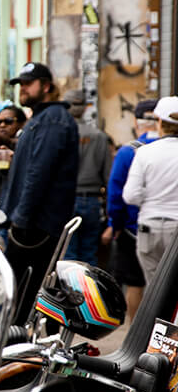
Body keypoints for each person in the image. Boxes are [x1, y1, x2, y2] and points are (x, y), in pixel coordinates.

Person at [0, 61, 79, 324]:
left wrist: (20, 220)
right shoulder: (43, 118)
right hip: (31, 222)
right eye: (20, 84)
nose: (22, 89)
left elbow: (38, 173)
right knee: (17, 299)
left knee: (18, 301)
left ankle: (13, 356)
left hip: (36, 227)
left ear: (46, 86)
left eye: (28, 83)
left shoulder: (53, 120)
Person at [103, 99, 158, 320]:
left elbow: (116, 194)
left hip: (133, 228)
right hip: (171, 228)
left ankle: (136, 337)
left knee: (135, 284)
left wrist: (114, 225)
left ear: (136, 121)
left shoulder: (128, 152)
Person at [122, 95, 178, 283]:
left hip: (149, 228)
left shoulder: (145, 152)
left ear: (160, 122)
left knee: (154, 290)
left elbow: (130, 196)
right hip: (176, 229)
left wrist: (150, 197)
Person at [63, 89, 113, 264]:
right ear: (85, 108)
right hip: (92, 201)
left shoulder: (62, 133)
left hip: (66, 199)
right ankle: (87, 290)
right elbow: (109, 176)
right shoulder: (99, 136)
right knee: (88, 254)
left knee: (68, 255)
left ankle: (71, 291)